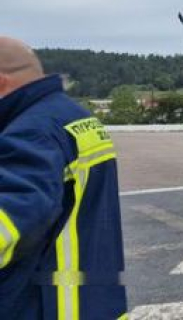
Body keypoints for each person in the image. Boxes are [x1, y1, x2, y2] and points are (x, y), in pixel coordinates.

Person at [0, 36, 128, 318]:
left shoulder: (30, 132)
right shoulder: (73, 116)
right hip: (96, 302)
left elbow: (13, 215)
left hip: (49, 306)